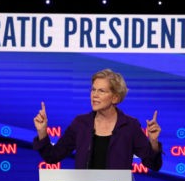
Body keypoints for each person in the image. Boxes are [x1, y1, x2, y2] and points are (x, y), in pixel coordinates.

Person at [33, 68, 163, 171]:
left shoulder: (129, 126)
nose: (94, 95)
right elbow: (52, 156)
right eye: (93, 90)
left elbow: (153, 164)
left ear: (115, 98)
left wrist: (153, 142)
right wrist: (42, 132)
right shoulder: (80, 124)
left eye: (101, 91)